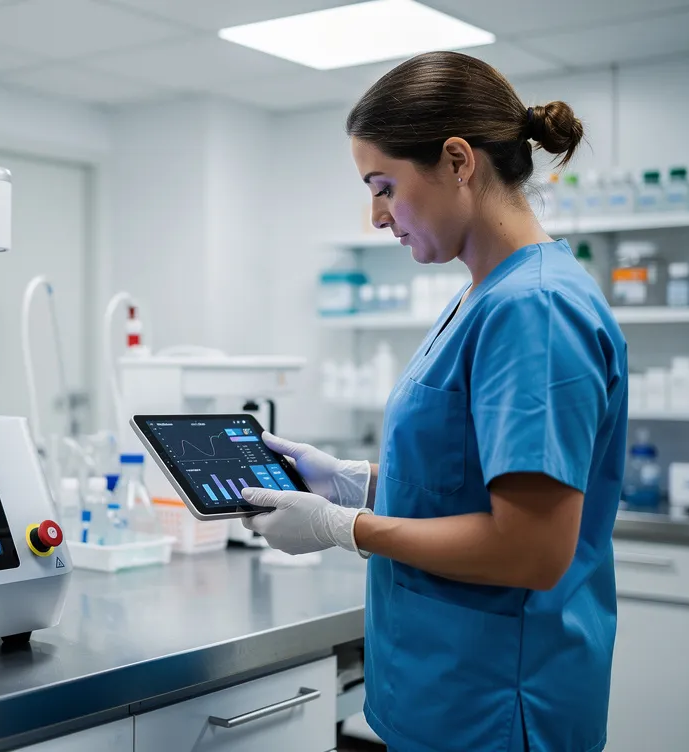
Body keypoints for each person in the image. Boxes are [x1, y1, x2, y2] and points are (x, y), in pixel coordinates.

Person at [242, 51, 627, 752]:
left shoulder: (533, 309)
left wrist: (342, 525)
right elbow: (472, 483)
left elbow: (530, 548)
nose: (377, 215)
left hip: (500, 709)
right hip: (448, 694)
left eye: (384, 185)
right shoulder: (484, 295)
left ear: (457, 161)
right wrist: (358, 481)